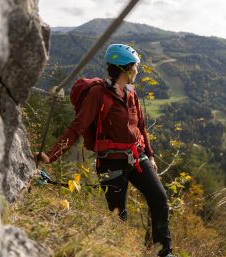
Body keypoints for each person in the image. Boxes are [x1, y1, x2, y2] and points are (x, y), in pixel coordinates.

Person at [35, 44, 174, 257]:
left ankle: (162, 252)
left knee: (160, 199)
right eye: (135, 67)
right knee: (119, 216)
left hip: (137, 157)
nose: (138, 70)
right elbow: (77, 127)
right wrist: (50, 155)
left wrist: (151, 155)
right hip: (110, 163)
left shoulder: (131, 92)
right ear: (126, 69)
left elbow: (141, 126)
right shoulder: (98, 94)